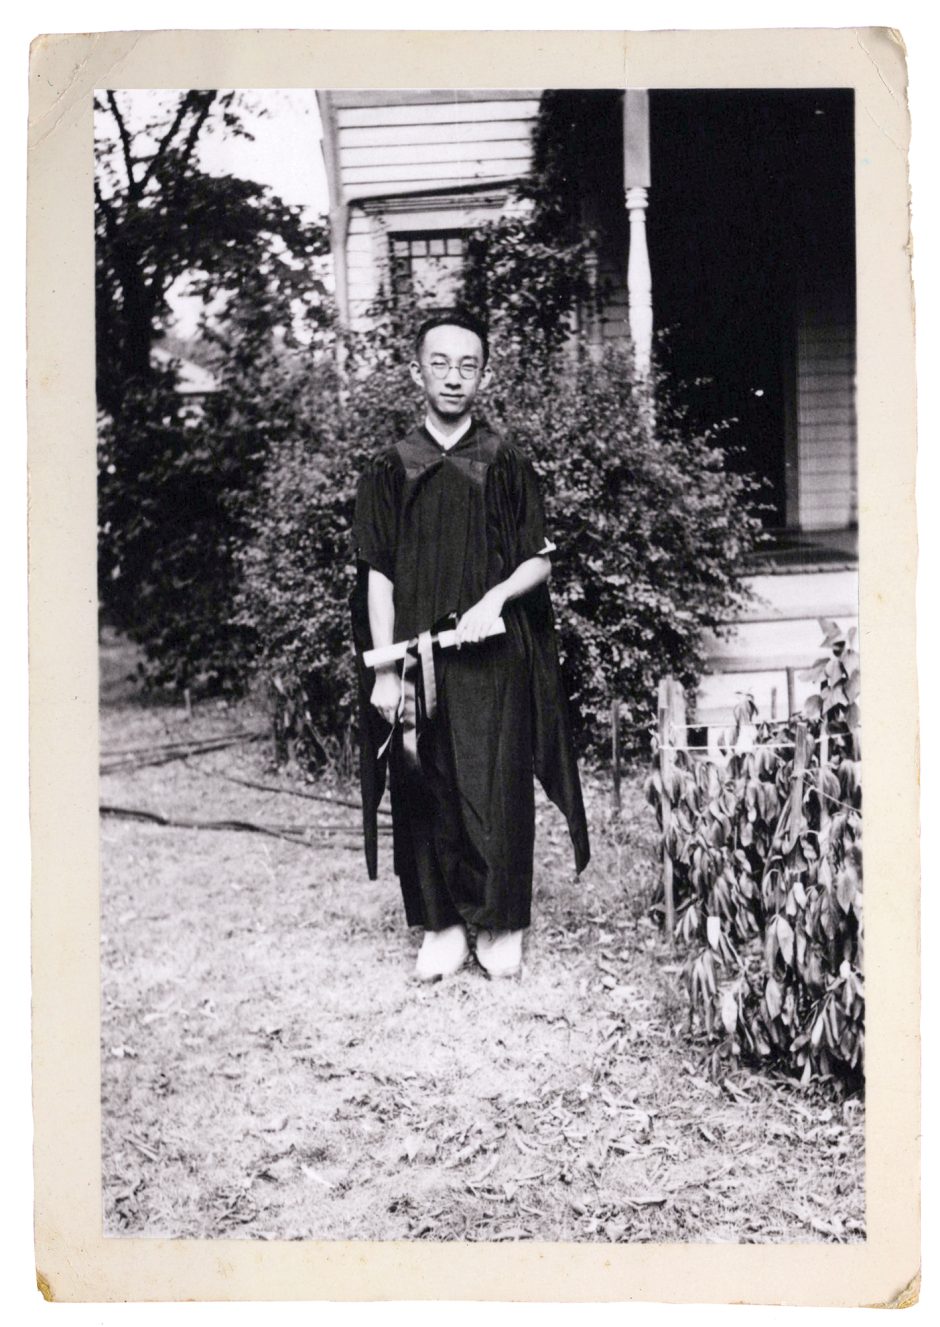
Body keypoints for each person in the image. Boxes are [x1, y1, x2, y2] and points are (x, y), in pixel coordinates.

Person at [351, 309, 589, 982]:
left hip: (493, 659)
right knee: (424, 785)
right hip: (417, 661)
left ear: (482, 374)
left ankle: (502, 922)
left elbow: (538, 559)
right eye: (440, 363)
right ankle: (444, 925)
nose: (453, 377)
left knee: (497, 786)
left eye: (468, 365)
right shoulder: (391, 467)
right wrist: (386, 669)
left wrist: (495, 599)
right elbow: (377, 576)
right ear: (416, 372)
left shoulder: (504, 460)